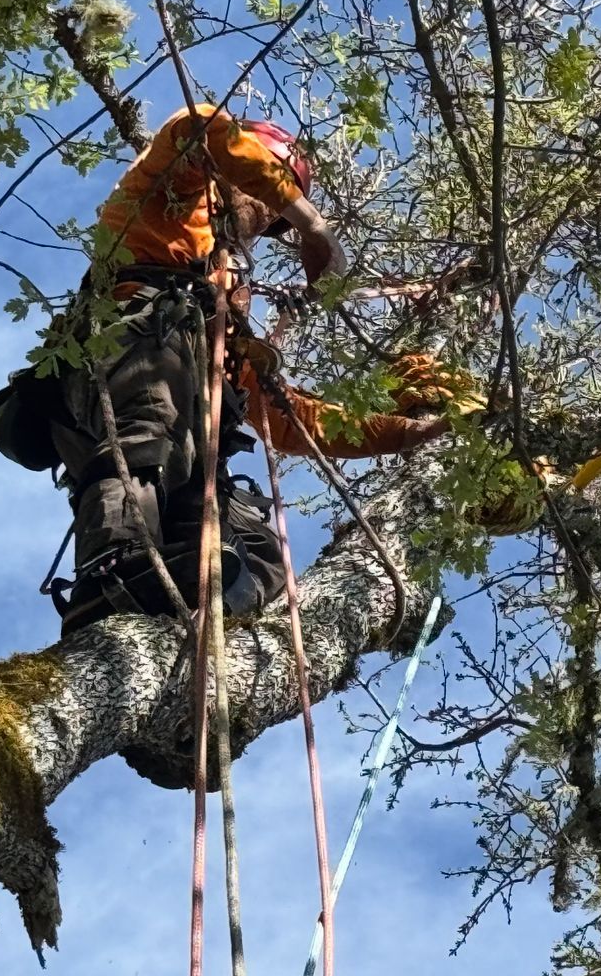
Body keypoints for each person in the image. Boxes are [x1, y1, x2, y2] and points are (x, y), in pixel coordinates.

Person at [32, 103, 462, 634]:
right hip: (132, 352)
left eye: (274, 218)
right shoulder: (167, 199)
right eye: (263, 198)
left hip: (188, 404)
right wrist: (312, 226)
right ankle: (112, 568)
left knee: (259, 547)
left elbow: (286, 417)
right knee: (152, 425)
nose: (264, 220)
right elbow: (199, 126)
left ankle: (201, 613)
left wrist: (406, 433)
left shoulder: (225, 303)